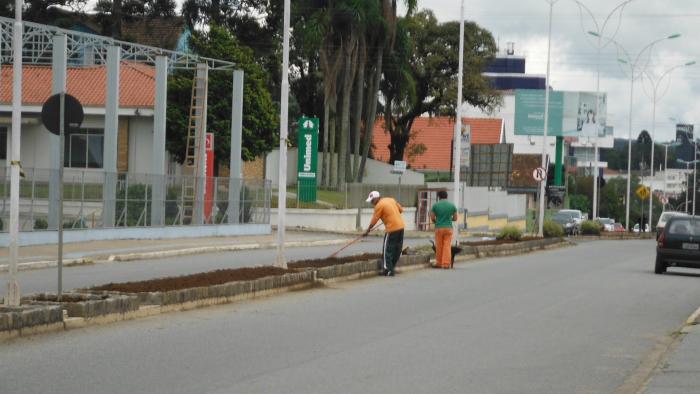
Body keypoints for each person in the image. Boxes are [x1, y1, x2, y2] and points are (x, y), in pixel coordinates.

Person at [364, 190, 405, 277]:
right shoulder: (391, 200)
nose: (372, 203)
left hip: (392, 229)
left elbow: (374, 219)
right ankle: (391, 268)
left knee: (387, 250)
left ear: (377, 198)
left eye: (372, 200)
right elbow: (401, 210)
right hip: (401, 227)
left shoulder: (379, 205)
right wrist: (389, 215)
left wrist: (368, 230)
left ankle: (388, 270)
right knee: (397, 249)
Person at [430, 190, 458, 269]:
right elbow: (455, 218)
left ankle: (439, 263)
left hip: (439, 228)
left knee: (439, 246)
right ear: (447, 196)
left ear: (439, 197)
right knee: (447, 246)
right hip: (448, 228)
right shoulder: (452, 205)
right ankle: (446, 264)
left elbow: (432, 218)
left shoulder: (435, 205)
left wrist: (437, 221)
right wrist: (448, 219)